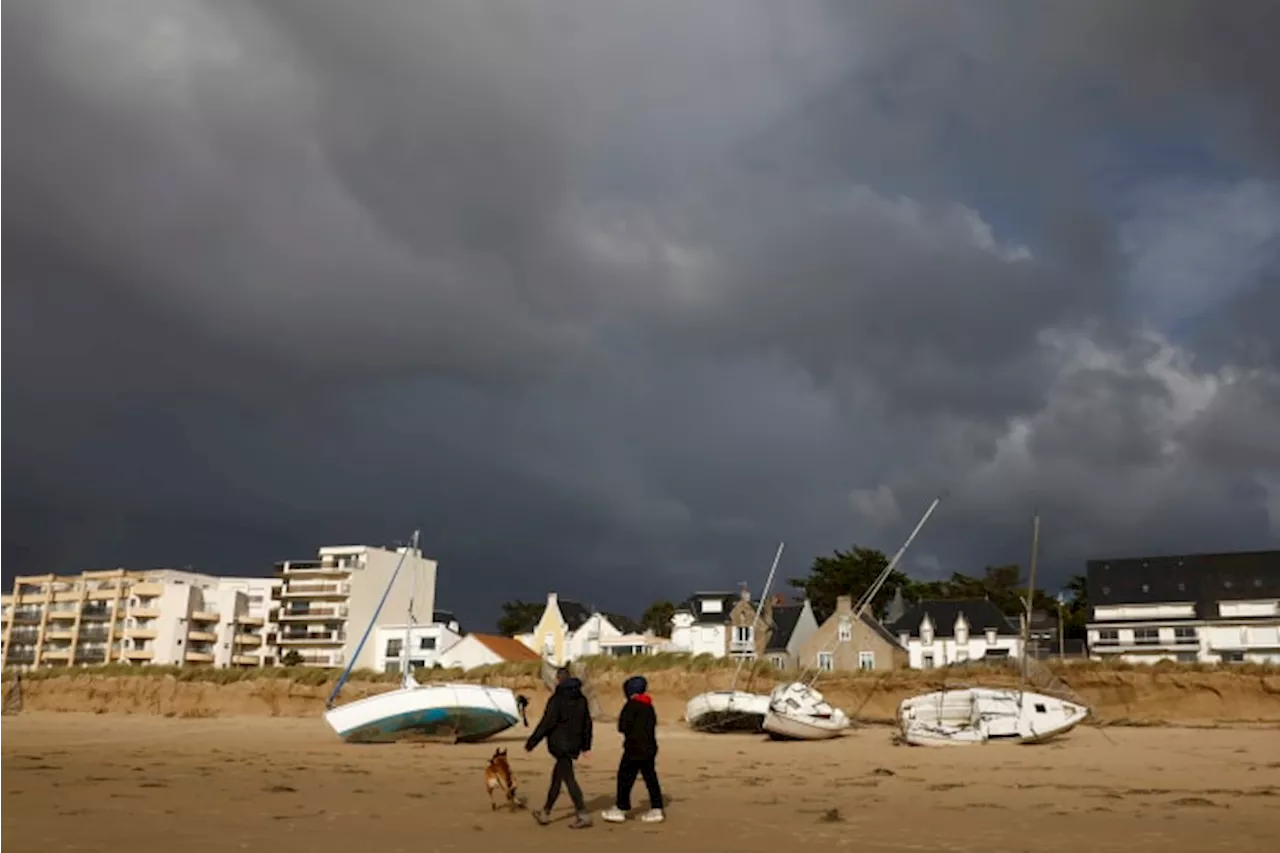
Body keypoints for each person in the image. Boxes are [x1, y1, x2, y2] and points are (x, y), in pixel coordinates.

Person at [525, 665, 593, 828]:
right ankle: (545, 812)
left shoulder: (557, 699)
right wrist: (586, 745)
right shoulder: (581, 699)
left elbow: (547, 723)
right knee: (558, 778)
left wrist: (532, 742)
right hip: (573, 744)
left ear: (558, 679)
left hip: (559, 745)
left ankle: (582, 813)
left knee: (568, 779)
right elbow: (587, 724)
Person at [601, 675, 665, 824]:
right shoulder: (649, 705)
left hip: (634, 748)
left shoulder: (631, 705)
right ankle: (657, 808)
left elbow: (622, 727)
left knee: (624, 778)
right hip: (650, 747)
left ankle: (621, 807)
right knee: (650, 778)